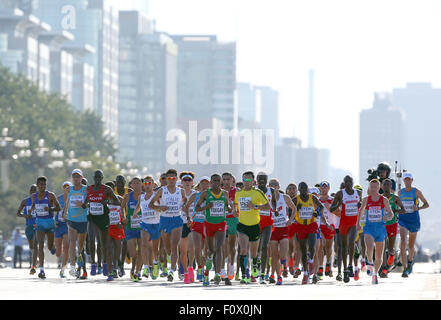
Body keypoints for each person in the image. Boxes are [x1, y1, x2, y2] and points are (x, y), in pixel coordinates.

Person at [149, 169, 187, 282]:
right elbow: (151, 204)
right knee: (168, 248)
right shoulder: (162, 190)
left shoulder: (181, 191)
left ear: (176, 179)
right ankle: (171, 259)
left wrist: (184, 205)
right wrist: (159, 208)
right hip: (164, 220)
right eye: (169, 178)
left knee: (174, 244)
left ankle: (171, 271)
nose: (171, 180)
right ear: (166, 179)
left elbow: (185, 202)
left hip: (176, 220)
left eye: (173, 178)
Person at [83, 170, 121, 281]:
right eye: (96, 177)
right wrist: (85, 205)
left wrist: (107, 202)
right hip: (92, 217)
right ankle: (93, 264)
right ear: (93, 177)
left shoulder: (106, 189)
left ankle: (104, 263)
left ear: (102, 178)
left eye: (99, 177)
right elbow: (87, 200)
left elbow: (117, 201)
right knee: (90, 239)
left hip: (103, 218)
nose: (97, 179)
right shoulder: (89, 189)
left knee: (104, 244)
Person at [234, 171, 271, 284]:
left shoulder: (257, 192)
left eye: (249, 179)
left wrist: (255, 206)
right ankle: (245, 274)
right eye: (244, 179)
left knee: (254, 253)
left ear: (253, 181)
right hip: (242, 225)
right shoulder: (238, 193)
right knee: (243, 250)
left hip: (254, 225)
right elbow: (236, 206)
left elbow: (267, 207)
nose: (246, 182)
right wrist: (235, 211)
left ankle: (255, 264)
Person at [293, 182, 331, 284]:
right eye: (301, 188)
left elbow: (322, 207)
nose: (304, 190)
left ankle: (311, 263)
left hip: (312, 225)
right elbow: (290, 208)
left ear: (307, 189)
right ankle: (305, 273)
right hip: (301, 226)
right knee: (303, 251)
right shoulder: (296, 199)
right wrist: (295, 211)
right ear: (299, 189)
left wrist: (317, 212)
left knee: (312, 247)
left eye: (305, 188)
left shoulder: (312, 198)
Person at [195, 174, 231, 286]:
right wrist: (206, 207)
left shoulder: (225, 193)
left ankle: (217, 273)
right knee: (210, 251)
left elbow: (228, 206)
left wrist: (229, 209)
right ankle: (207, 271)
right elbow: (197, 208)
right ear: (211, 182)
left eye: (218, 181)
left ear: (220, 182)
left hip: (221, 223)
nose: (216, 183)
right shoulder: (206, 193)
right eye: (214, 181)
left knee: (219, 247)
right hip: (209, 224)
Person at [357, 179, 394, 284]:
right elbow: (360, 212)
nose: (373, 189)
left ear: (379, 188)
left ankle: (375, 274)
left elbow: (391, 214)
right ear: (369, 188)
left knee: (379, 256)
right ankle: (369, 262)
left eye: (375, 187)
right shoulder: (366, 200)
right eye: (371, 187)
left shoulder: (384, 200)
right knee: (368, 246)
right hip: (369, 228)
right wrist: (358, 223)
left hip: (380, 229)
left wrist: (386, 217)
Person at [330, 175, 361, 283]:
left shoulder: (358, 193)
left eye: (350, 181)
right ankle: (345, 270)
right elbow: (331, 208)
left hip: (353, 223)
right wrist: (338, 204)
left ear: (352, 182)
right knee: (343, 247)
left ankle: (350, 265)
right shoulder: (340, 194)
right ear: (344, 183)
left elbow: (361, 206)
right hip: (343, 223)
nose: (348, 183)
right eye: (346, 181)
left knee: (351, 242)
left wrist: (360, 205)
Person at [398, 172, 429, 277]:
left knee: (411, 245)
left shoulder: (416, 192)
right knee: (403, 242)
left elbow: (427, 204)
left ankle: (410, 262)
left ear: (412, 180)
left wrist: (418, 208)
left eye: (409, 179)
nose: (407, 181)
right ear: (403, 181)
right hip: (402, 220)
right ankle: (405, 268)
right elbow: (397, 206)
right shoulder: (400, 193)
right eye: (405, 179)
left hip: (414, 221)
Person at [31, 176, 61, 279]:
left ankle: (53, 248)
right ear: (37, 185)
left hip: (49, 222)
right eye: (41, 185)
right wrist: (32, 210)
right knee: (40, 245)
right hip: (39, 222)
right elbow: (33, 206)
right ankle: (42, 270)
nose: (42, 186)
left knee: (49, 246)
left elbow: (59, 208)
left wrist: (50, 208)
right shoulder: (33, 196)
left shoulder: (51, 195)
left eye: (44, 185)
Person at [268, 180, 297, 285]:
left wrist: (290, 219)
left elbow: (294, 209)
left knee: (283, 255)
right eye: (271, 185)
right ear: (268, 187)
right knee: (274, 255)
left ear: (279, 186)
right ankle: (278, 276)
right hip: (273, 229)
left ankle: (284, 265)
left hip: (284, 228)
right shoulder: (267, 198)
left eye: (275, 185)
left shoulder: (285, 197)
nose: (273, 187)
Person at [134, 176, 161, 280]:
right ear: (143, 185)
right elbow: (138, 206)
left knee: (155, 249)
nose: (148, 185)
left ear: (153, 184)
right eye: (145, 183)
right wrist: (135, 214)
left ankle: (155, 264)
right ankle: (145, 267)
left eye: (149, 183)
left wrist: (157, 208)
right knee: (144, 245)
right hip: (145, 224)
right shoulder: (141, 196)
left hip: (156, 224)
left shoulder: (156, 196)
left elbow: (161, 207)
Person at [63, 169, 88, 278]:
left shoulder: (86, 190)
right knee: (72, 242)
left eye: (78, 177)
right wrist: (65, 212)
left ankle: (79, 255)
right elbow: (67, 202)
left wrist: (82, 204)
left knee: (80, 244)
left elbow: (89, 203)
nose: (76, 179)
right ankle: (72, 266)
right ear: (72, 178)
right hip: (71, 219)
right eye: (74, 177)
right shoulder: (69, 189)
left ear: (82, 178)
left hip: (83, 220)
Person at [185, 177, 210, 282]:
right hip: (197, 223)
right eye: (202, 183)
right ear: (199, 185)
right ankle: (200, 268)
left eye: (206, 184)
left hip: (208, 224)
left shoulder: (211, 196)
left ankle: (203, 267)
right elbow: (186, 206)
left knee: (206, 250)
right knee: (197, 248)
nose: (204, 186)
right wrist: (188, 218)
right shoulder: (195, 195)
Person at [380, 179, 405, 277]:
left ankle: (392, 256)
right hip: (382, 225)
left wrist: (394, 210)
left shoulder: (395, 198)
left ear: (391, 186)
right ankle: (383, 268)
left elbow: (403, 210)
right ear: (382, 186)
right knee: (382, 247)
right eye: (384, 184)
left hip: (392, 224)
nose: (386, 186)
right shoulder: (380, 198)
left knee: (390, 249)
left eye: (388, 184)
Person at [120, 177, 142, 281]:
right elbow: (122, 207)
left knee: (142, 251)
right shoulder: (127, 196)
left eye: (138, 183)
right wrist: (124, 217)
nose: (137, 185)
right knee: (133, 253)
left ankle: (137, 271)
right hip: (130, 226)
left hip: (142, 226)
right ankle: (134, 268)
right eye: (134, 183)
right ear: (131, 185)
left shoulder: (145, 196)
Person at [255, 172, 275, 284]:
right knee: (257, 248)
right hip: (256, 221)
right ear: (257, 180)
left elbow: (274, 203)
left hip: (267, 222)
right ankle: (256, 263)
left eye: (264, 179)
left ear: (267, 180)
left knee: (264, 247)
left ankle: (262, 274)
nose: (262, 180)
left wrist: (275, 210)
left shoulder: (271, 191)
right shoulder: (253, 191)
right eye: (260, 179)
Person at [178, 172, 197, 284]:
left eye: (189, 180)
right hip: (182, 223)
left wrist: (192, 218)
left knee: (191, 248)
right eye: (185, 180)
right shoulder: (178, 194)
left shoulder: (196, 194)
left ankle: (190, 268)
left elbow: (199, 208)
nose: (187, 182)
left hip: (193, 223)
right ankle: (185, 273)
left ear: (192, 182)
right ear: (182, 183)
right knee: (183, 251)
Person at [16, 184, 38, 273]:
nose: (33, 192)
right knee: (31, 246)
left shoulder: (40, 201)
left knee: (36, 245)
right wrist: (25, 216)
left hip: (38, 226)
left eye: (35, 190)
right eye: (32, 190)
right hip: (29, 226)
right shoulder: (25, 201)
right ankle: (35, 259)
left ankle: (33, 265)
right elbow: (18, 213)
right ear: (29, 192)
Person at [318, 181, 337, 280]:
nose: (324, 189)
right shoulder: (317, 200)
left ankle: (329, 263)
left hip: (331, 225)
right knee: (321, 245)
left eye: (326, 187)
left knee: (329, 247)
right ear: (320, 188)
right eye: (322, 187)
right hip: (320, 225)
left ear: (329, 189)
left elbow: (338, 212)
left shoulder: (332, 200)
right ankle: (320, 266)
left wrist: (331, 209)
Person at [222, 172, 238, 285]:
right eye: (225, 179)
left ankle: (231, 265)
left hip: (233, 220)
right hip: (222, 220)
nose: (227, 181)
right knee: (223, 247)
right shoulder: (219, 191)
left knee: (232, 245)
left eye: (229, 179)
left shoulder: (236, 191)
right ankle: (222, 269)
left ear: (232, 180)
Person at [115, 175, 132, 278]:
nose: (120, 184)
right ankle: (117, 263)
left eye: (122, 182)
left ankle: (121, 264)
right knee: (117, 243)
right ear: (116, 183)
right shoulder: (113, 190)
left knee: (125, 241)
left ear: (125, 182)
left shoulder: (129, 191)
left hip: (126, 219)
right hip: (115, 220)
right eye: (118, 182)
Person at [55, 181, 71, 278]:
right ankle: (57, 250)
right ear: (63, 188)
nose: (66, 188)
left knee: (66, 247)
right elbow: (53, 210)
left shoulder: (72, 198)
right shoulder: (58, 198)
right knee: (58, 253)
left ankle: (63, 269)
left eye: (68, 187)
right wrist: (54, 220)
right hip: (58, 225)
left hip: (67, 225)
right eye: (65, 187)